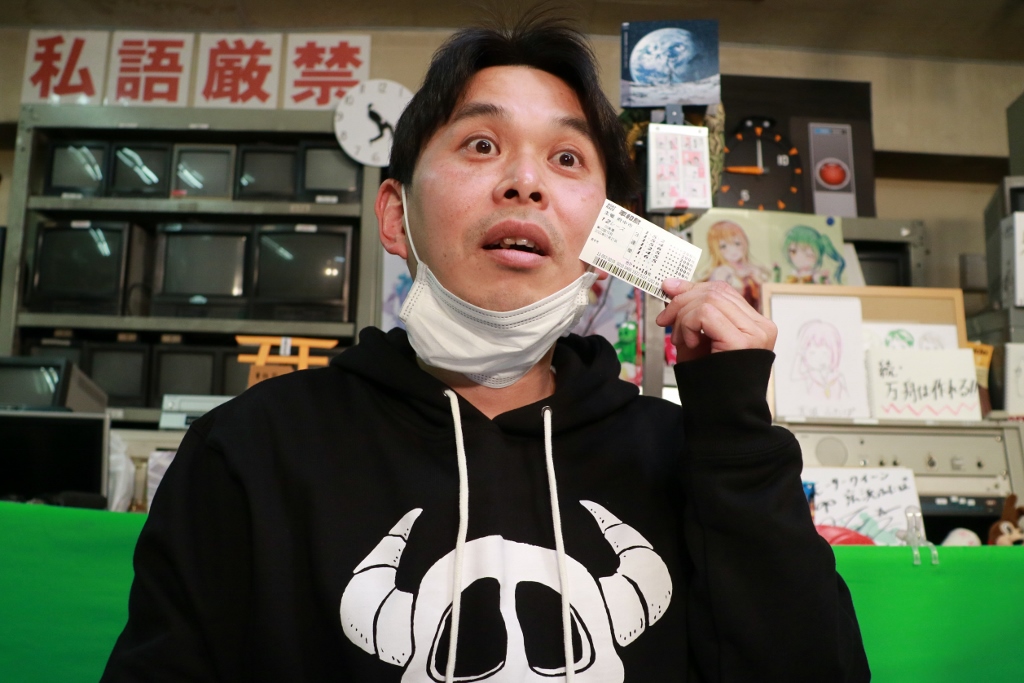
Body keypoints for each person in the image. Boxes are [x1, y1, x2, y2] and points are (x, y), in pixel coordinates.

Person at [101, 10, 870, 683]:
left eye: (566, 159)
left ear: (608, 240)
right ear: (396, 216)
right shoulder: (248, 451)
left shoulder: (684, 453)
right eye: (480, 144)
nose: (525, 182)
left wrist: (735, 433)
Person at [696, 219, 770, 309]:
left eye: (737, 243)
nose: (732, 250)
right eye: (723, 246)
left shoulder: (753, 269)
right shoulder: (722, 272)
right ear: (715, 249)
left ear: (745, 243)